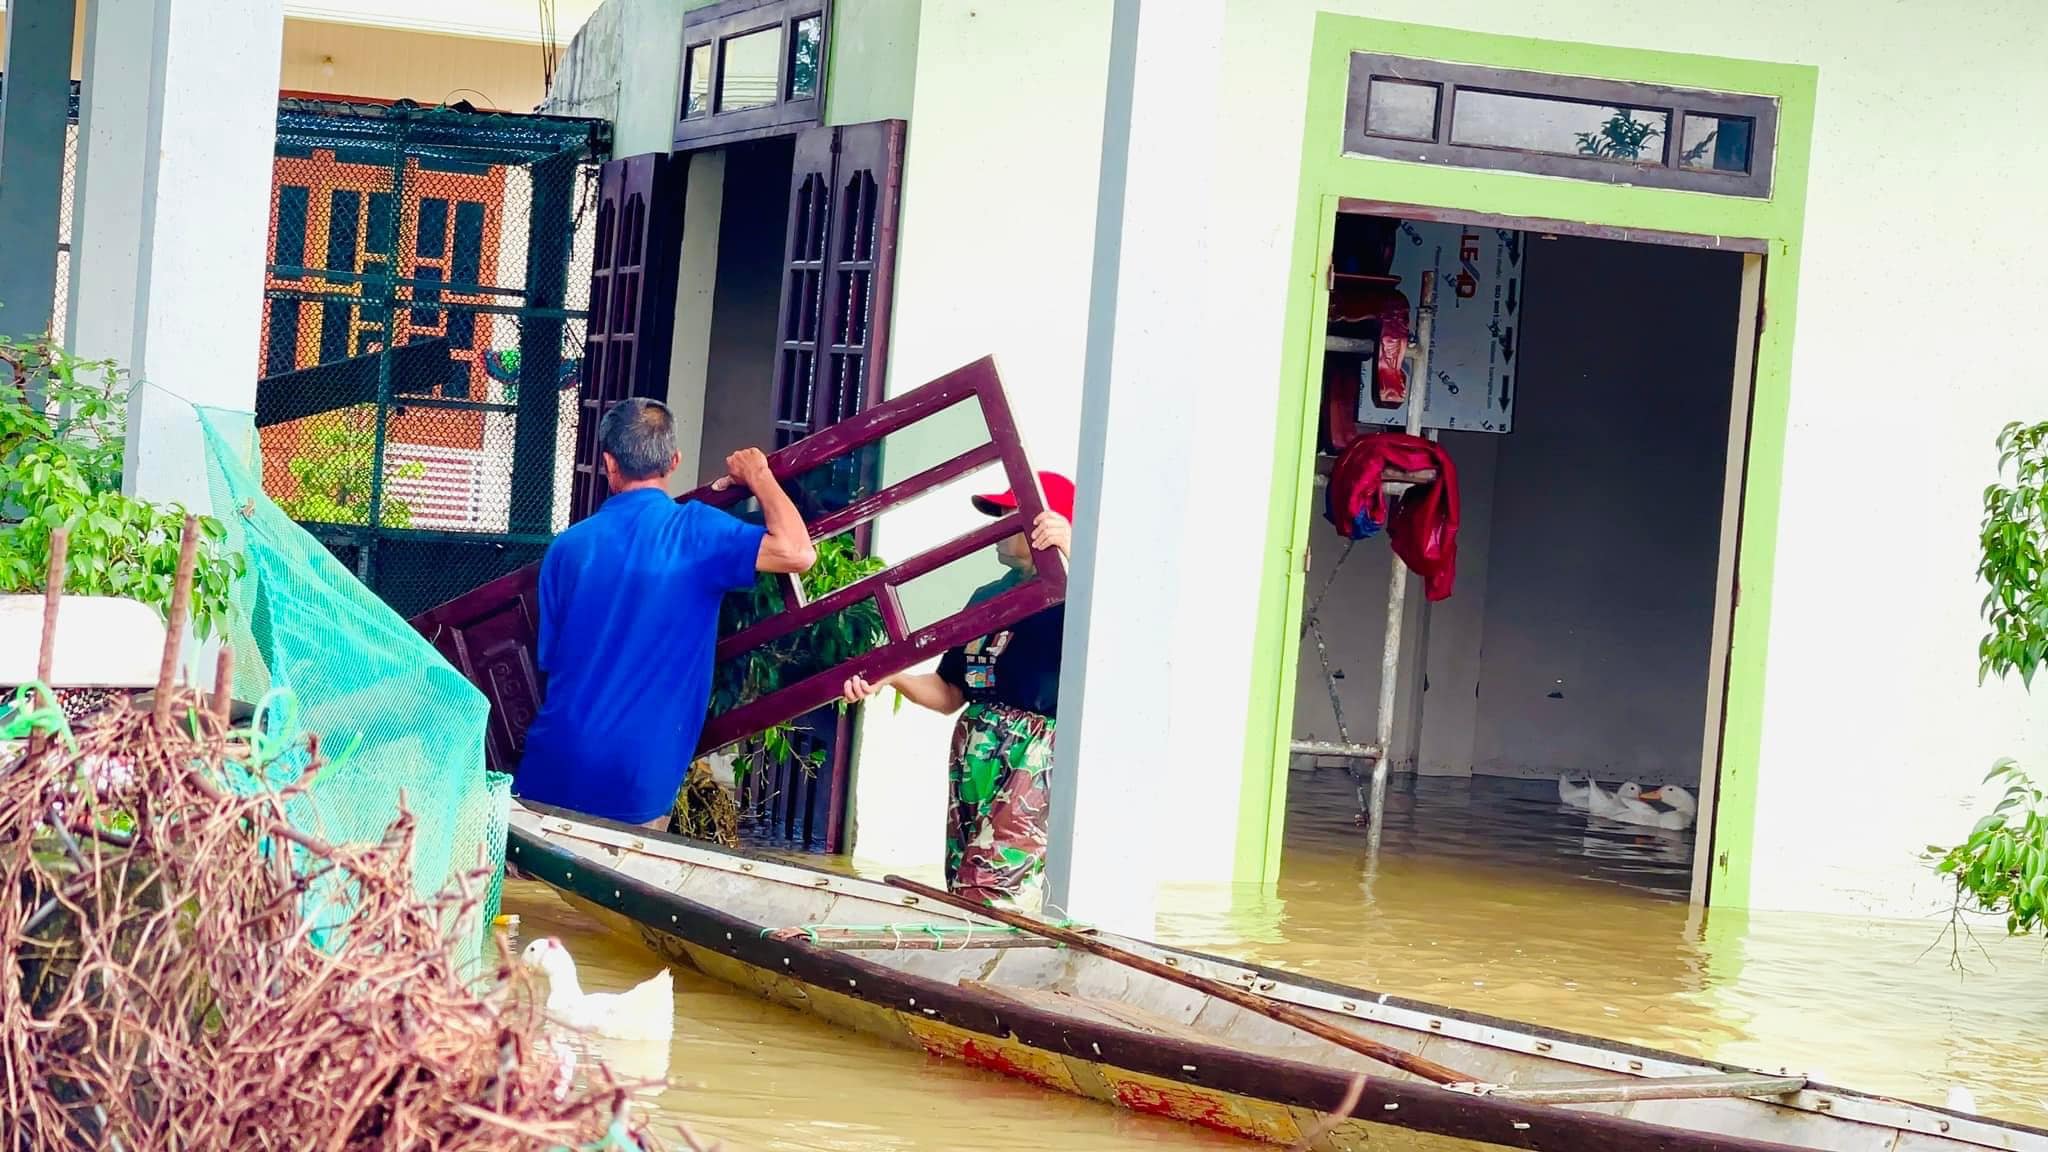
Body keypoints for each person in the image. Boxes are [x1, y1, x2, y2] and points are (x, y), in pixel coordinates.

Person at [517, 399, 816, 829]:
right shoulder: (696, 532)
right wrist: (759, 475)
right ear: (674, 461)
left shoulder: (568, 547)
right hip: (637, 778)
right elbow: (797, 551)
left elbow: (550, 660)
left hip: (554, 764)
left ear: (608, 464)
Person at [841, 472, 1073, 912]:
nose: (997, 526)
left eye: (1008, 514)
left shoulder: (1075, 595)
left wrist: (1072, 550)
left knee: (991, 883)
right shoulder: (987, 598)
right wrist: (893, 676)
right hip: (976, 753)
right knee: (964, 876)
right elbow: (950, 692)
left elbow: (1116, 634)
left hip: (1032, 759)